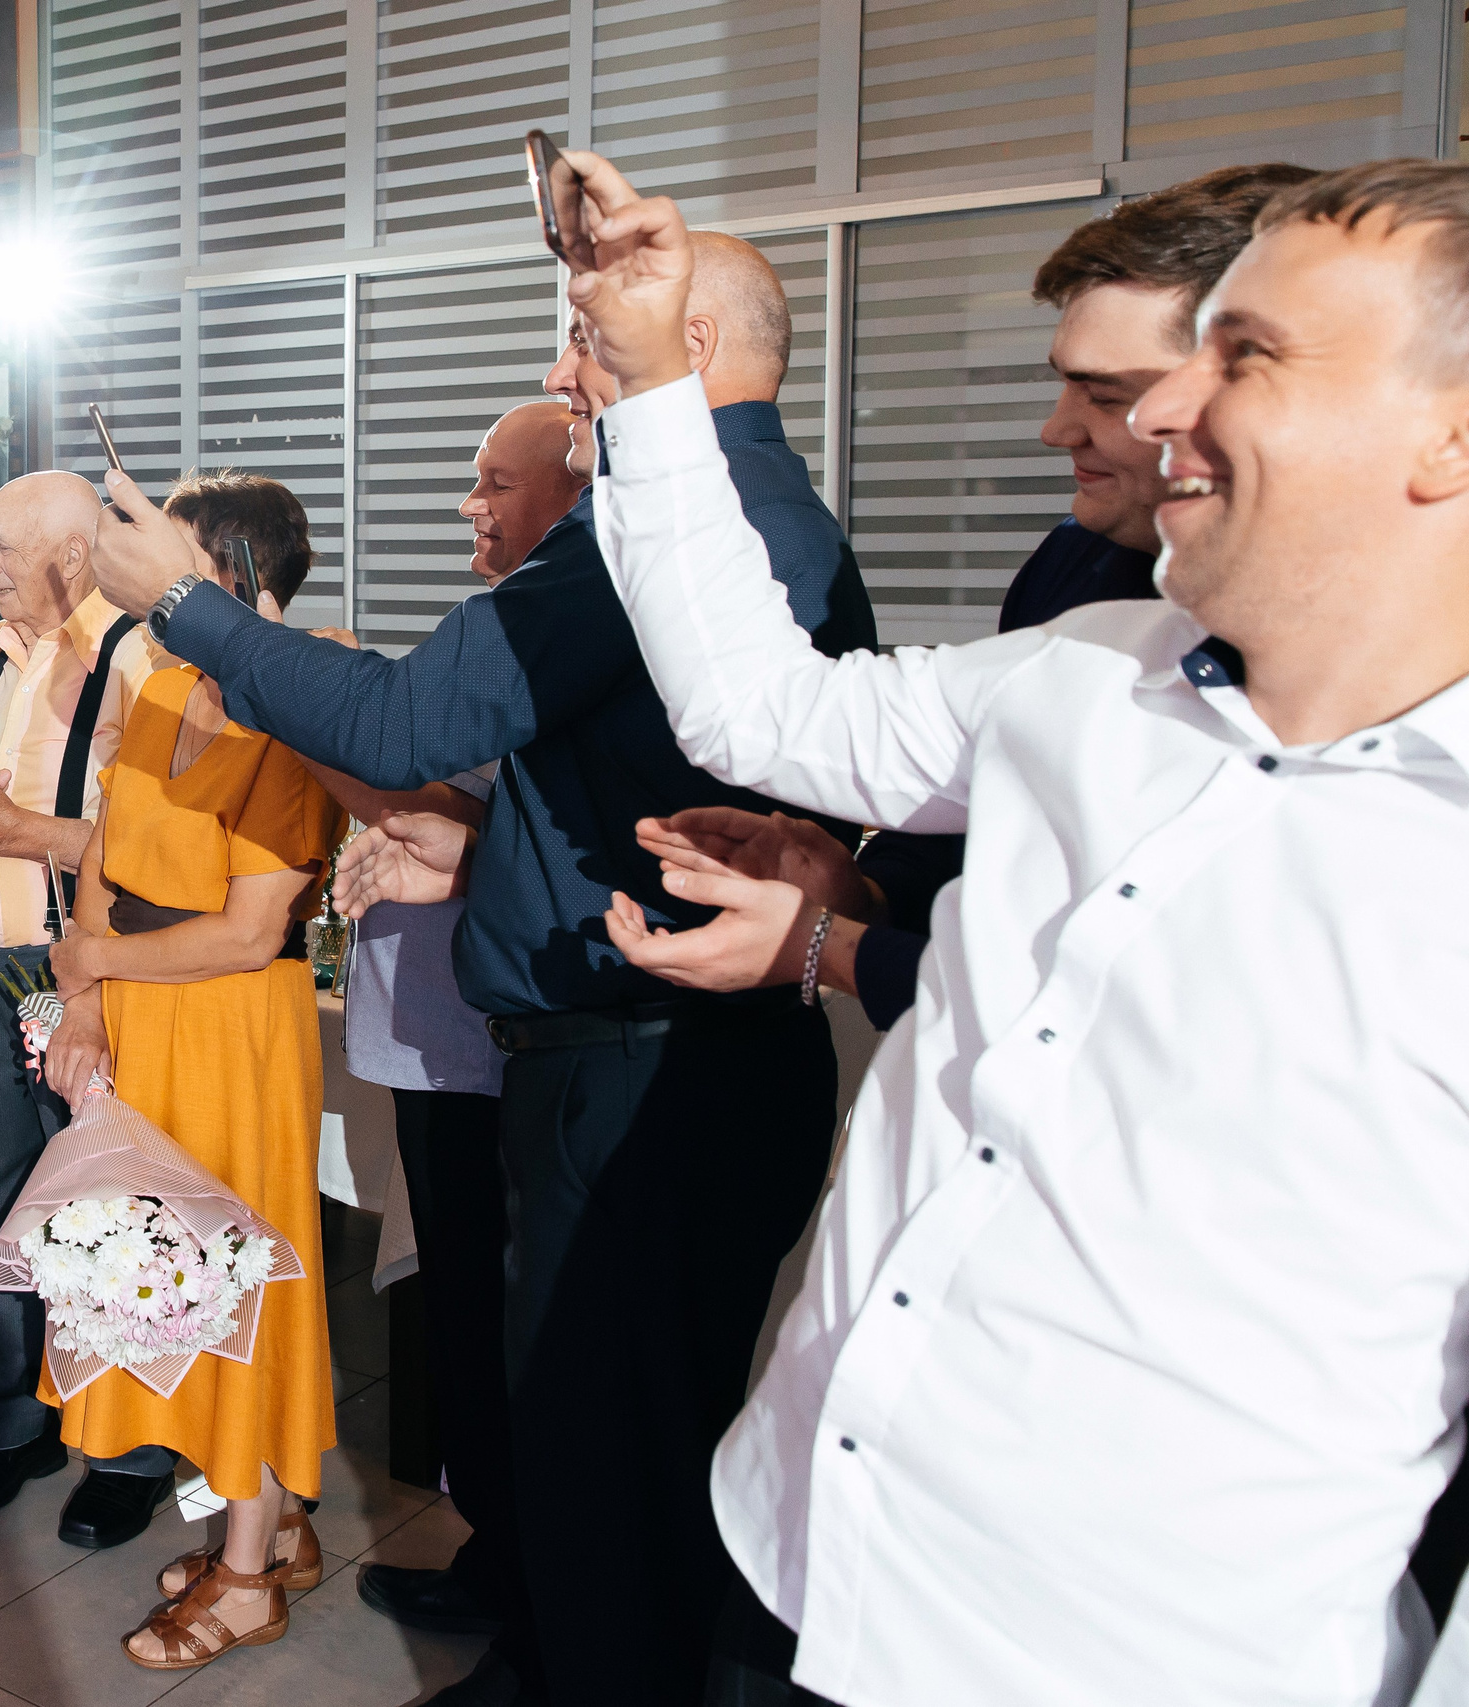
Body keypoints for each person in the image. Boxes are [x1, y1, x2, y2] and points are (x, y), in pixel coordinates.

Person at [565, 151, 1469, 1706]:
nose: (1168, 407)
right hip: (792, 1562)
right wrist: (649, 373)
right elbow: (759, 707)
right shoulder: (1084, 669)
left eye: (1245, 356)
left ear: (1448, 432)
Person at [89, 237, 876, 1707]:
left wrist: (187, 606)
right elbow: (598, 763)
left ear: (687, 341)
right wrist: (488, 844)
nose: (559, 371)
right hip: (643, 1047)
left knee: (607, 1455)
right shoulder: (737, 509)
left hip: (645, 1060)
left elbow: (406, 718)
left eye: (584, 339)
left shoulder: (693, 521)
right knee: (600, 1447)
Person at [605, 165, 1317, 1023]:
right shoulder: (1091, 618)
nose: (1056, 429)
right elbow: (758, 712)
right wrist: (862, 893)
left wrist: (837, 951)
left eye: (1111, 396)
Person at [39, 470, 345, 1675]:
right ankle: (271, 1524)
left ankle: (249, 1574)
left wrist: (96, 959)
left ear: (237, 574)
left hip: (236, 1031)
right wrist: (86, 1004)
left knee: (244, 1278)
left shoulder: (298, 708)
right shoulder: (158, 683)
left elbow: (251, 930)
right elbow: (104, 855)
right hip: (145, 1023)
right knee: (167, 1277)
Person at [337, 401, 580, 1689]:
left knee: (510, 1334)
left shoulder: (552, 638)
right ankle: (498, 1559)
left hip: (498, 1051)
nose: (471, 508)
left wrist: (327, 732)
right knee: (468, 1329)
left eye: (495, 483)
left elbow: (424, 787)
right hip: (438, 1042)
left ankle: (536, 1609)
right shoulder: (495, 629)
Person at [0, 470, 171, 1540]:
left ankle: (131, 1447)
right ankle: (7, 1422)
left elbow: (149, 852)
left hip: (86, 968)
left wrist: (22, 833)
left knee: (107, 1202)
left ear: (68, 552)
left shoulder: (141, 658)